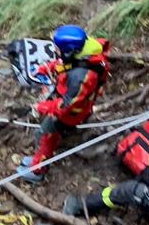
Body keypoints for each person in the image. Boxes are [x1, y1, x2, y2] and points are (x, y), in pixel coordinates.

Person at [18, 25, 111, 184]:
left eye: (58, 49)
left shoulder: (82, 76)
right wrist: (45, 68)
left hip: (73, 113)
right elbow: (66, 64)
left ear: (70, 51)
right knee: (47, 134)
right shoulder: (83, 53)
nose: (56, 51)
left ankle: (38, 171)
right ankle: (38, 159)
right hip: (73, 102)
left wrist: (42, 107)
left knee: (44, 135)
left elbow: (67, 104)